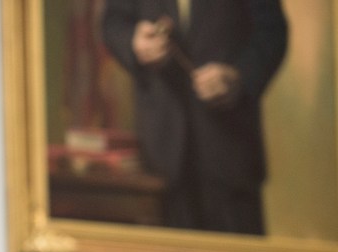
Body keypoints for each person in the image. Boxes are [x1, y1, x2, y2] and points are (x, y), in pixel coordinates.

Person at [102, 0, 287, 235]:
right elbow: (113, 22)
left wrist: (239, 77)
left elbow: (272, 31)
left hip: (230, 150)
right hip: (160, 152)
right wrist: (134, 42)